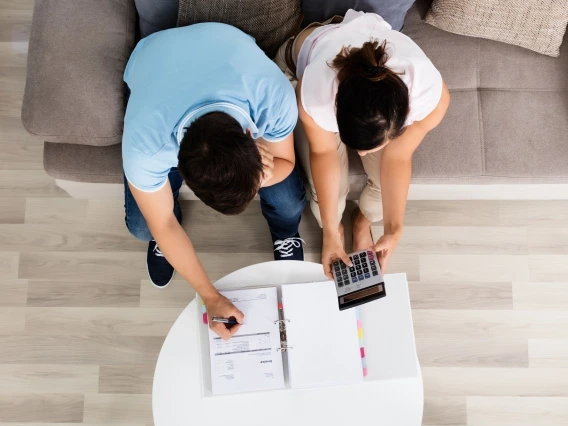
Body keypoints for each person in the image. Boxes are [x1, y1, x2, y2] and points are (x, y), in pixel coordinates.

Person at [122, 23, 306, 340]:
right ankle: (167, 245)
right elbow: (162, 222)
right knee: (143, 226)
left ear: (253, 136)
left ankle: (285, 234)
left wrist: (266, 172)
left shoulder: (273, 97)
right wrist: (211, 297)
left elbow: (285, 163)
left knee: (288, 199)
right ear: (179, 169)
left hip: (226, 43)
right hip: (155, 56)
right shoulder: (145, 147)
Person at [275, 10, 450, 278]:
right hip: (298, 65)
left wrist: (394, 229)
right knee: (326, 204)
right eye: (355, 145)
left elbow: (399, 157)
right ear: (336, 114)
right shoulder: (316, 95)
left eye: (370, 147)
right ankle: (337, 229)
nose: (361, 154)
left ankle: (361, 223)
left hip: (362, 78)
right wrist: (331, 232)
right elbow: (323, 152)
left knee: (383, 196)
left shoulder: (430, 97)